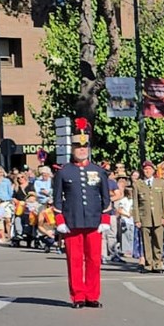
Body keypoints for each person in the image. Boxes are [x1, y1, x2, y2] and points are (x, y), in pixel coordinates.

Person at [51, 124, 112, 307]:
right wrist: (60, 220)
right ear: (73, 149)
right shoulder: (63, 172)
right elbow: (57, 200)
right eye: (78, 148)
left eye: (85, 148)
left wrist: (105, 219)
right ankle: (78, 296)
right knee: (75, 261)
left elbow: (106, 198)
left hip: (94, 221)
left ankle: (92, 296)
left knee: (94, 260)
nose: (82, 151)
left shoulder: (99, 171)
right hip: (72, 222)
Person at [132, 160, 164, 273]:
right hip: (145, 218)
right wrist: (137, 219)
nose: (147, 171)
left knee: (158, 241)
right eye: (145, 169)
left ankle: (157, 263)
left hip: (158, 217)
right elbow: (136, 204)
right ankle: (148, 264)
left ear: (153, 171)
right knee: (146, 242)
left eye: (149, 169)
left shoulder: (160, 183)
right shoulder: (138, 184)